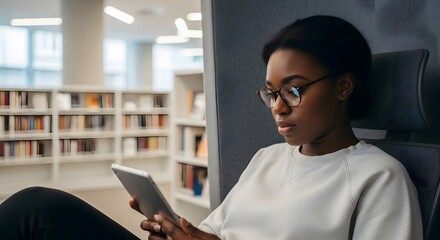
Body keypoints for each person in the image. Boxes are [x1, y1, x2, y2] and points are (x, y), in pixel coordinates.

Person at [0, 15, 423, 240]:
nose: (277, 108)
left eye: (294, 91)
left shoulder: (378, 176)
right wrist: (176, 231)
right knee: (38, 206)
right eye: (270, 93)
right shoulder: (267, 159)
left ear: (344, 86)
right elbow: (215, 233)